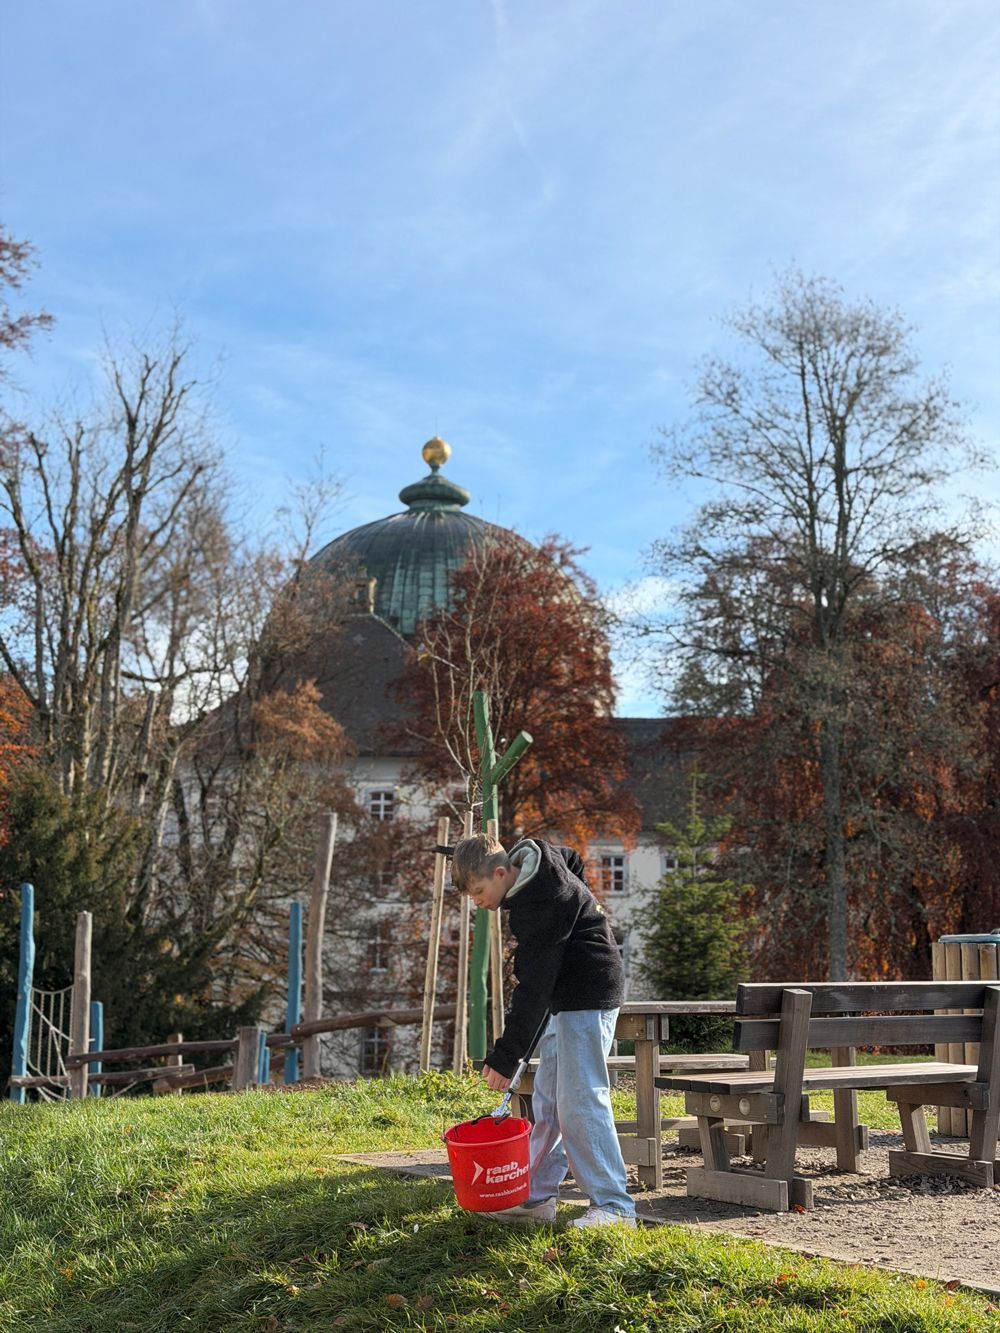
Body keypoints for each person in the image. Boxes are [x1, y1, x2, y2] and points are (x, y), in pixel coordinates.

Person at [450, 831, 636, 1228]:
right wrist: (586, 906)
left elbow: (531, 989)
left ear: (501, 873)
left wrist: (506, 1056)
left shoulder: (541, 904)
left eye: (480, 891)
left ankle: (615, 1205)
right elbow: (570, 857)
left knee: (580, 1100)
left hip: (586, 994)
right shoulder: (536, 864)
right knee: (549, 1101)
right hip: (564, 996)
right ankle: (534, 1197)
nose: (479, 903)